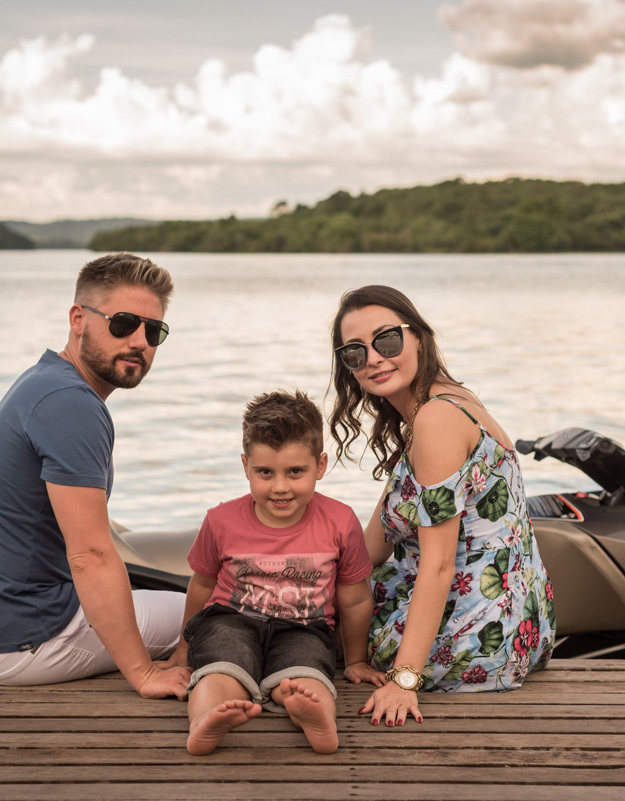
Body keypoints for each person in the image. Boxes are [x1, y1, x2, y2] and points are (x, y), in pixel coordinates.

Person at [0, 252, 190, 698]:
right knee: (216, 612)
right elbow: (89, 556)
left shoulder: (43, 380)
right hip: (16, 641)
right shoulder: (73, 404)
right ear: (78, 318)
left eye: (154, 330)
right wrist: (144, 674)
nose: (140, 341)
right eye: (123, 323)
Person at [329, 285, 556, 728]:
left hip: (472, 635)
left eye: (387, 340)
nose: (373, 358)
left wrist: (404, 679)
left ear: (418, 338)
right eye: (354, 352)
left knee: (296, 624)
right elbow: (368, 549)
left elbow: (438, 565)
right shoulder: (446, 401)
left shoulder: (436, 420)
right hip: (520, 627)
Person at [168, 390, 382, 755]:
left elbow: (356, 595)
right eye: (264, 472)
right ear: (245, 465)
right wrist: (182, 650)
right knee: (221, 666)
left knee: (305, 674)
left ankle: (315, 717)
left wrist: (357, 658)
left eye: (295, 471)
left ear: (320, 465)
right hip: (231, 620)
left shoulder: (340, 521)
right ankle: (206, 718)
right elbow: (202, 585)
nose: (280, 487)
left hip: (305, 627)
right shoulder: (221, 520)